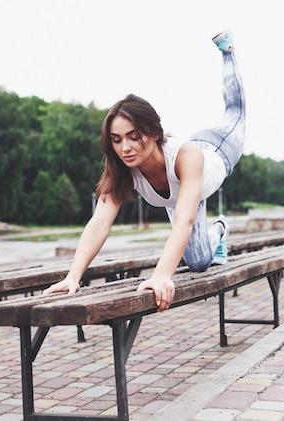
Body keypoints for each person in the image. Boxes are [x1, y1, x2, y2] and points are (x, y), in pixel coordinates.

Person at [43, 30, 245, 312]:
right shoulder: (123, 169)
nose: (124, 147)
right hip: (185, 195)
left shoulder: (186, 155)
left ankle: (228, 51)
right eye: (116, 139)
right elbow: (100, 222)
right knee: (198, 262)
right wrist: (72, 277)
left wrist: (161, 275)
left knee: (234, 111)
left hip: (217, 150)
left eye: (132, 136)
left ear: (151, 132)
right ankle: (220, 230)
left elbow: (185, 222)